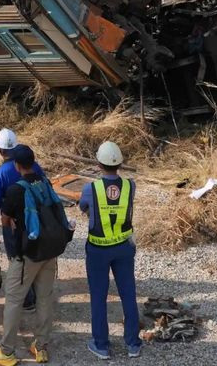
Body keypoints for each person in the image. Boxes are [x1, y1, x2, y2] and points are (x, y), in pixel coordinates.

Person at [0, 145, 69, 366]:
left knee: (14, 300)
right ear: (33, 162)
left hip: (27, 255)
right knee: (44, 298)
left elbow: (5, 219)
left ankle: (7, 351)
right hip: (49, 251)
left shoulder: (16, 190)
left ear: (16, 165)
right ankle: (40, 347)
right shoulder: (45, 182)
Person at [80, 141, 141, 360]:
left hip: (98, 249)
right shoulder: (130, 186)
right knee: (128, 294)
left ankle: (101, 345)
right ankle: (133, 344)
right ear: (120, 164)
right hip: (124, 247)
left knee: (98, 297)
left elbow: (83, 207)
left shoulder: (90, 189)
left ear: (98, 164)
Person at [0, 128, 45, 312]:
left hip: (13, 224)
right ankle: (38, 294)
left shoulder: (0, 174)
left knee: (18, 260)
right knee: (34, 254)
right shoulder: (33, 166)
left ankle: (27, 300)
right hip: (36, 219)